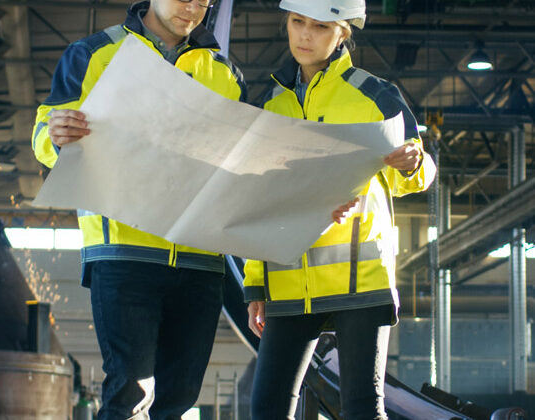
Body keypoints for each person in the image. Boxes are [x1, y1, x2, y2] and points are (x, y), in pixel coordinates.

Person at [31, 1, 246, 418]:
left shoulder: (226, 74)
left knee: (179, 399)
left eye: (203, 1)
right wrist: (54, 135)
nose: (193, 8)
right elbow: (44, 129)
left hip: (201, 261)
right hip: (124, 253)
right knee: (129, 397)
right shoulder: (93, 54)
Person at [243, 0, 437, 419]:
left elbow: (418, 174)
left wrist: (413, 163)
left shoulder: (375, 95)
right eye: (297, 22)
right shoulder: (269, 105)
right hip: (288, 281)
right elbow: (260, 201)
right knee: (267, 408)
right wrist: (255, 285)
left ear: (342, 33)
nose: (305, 35)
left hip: (359, 280)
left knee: (363, 408)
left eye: (320, 26)